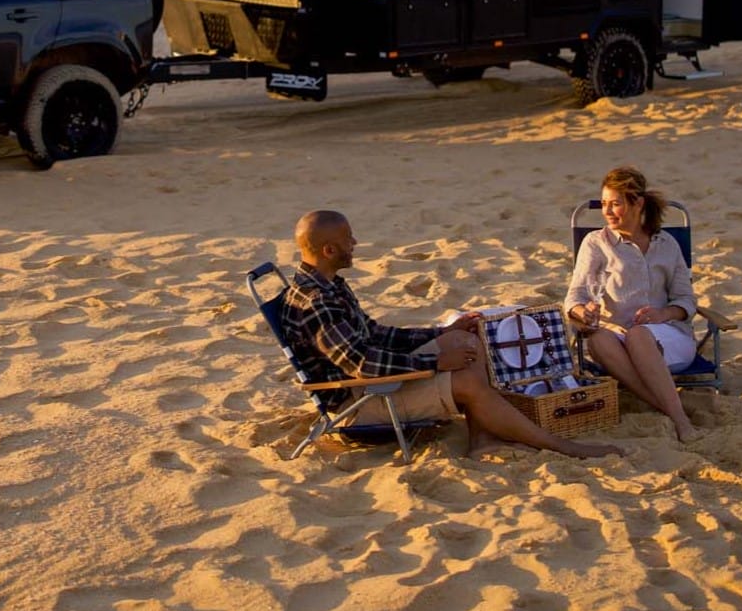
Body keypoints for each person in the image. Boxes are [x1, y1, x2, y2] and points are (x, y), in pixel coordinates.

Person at [282, 210, 622, 460]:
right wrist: (437, 363)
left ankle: (482, 440)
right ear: (329, 251)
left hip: (373, 380)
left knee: (468, 340)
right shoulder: (317, 302)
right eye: (348, 240)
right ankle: (563, 447)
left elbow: (375, 334)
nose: (354, 244)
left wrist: (443, 334)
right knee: (466, 381)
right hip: (360, 400)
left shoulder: (329, 285)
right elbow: (362, 364)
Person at [565, 166, 702, 442]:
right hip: (616, 337)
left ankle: (678, 419)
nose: (607, 211)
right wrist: (584, 312)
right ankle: (669, 408)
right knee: (597, 340)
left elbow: (686, 300)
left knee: (639, 335)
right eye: (604, 204)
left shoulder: (667, 244)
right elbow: (574, 298)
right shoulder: (596, 243)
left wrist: (662, 314)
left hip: (667, 335)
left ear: (637, 203)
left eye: (615, 204)